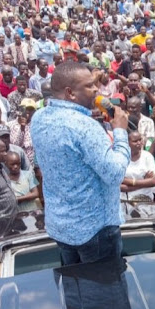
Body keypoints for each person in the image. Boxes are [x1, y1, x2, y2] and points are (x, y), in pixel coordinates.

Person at [31, 61, 130, 266]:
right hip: (96, 232)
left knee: (74, 288)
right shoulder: (85, 127)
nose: (96, 89)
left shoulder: (39, 117)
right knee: (103, 293)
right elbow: (115, 175)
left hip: (61, 226)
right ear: (70, 93)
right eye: (89, 86)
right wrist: (120, 131)